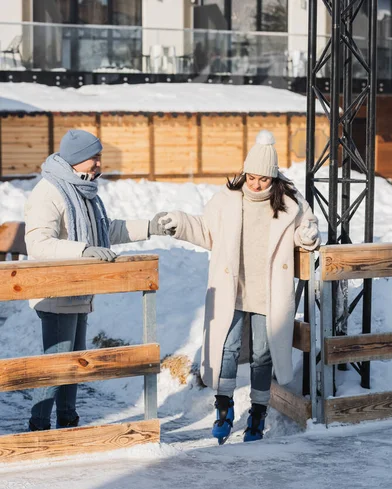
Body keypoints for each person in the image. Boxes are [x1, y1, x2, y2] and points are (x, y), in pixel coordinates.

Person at [154, 130, 320, 443]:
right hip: (234, 290)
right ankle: (224, 408)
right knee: (226, 350)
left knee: (261, 354)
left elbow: (306, 233)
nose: (256, 185)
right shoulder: (226, 201)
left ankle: (258, 413)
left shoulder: (291, 205)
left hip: (269, 293)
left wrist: (308, 237)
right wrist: (179, 221)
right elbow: (205, 231)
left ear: (274, 178)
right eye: (251, 177)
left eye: (263, 179)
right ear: (244, 173)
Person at [24, 129, 164, 431]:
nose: (99, 163)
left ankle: (68, 421)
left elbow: (105, 230)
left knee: (75, 362)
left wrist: (149, 227)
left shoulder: (82, 190)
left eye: (99, 157)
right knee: (58, 362)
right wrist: (84, 251)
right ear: (76, 160)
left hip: (80, 289)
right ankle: (38, 427)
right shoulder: (50, 191)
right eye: (94, 158)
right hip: (56, 291)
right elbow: (38, 244)